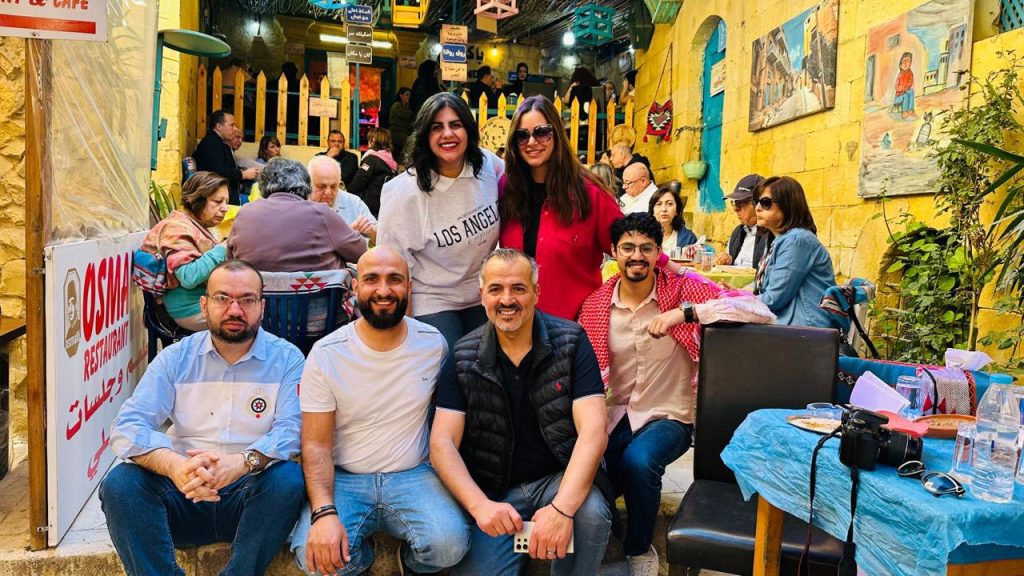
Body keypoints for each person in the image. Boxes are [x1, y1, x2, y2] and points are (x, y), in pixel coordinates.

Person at [100, 259, 306, 576]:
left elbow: (292, 431)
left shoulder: (287, 359)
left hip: (249, 499)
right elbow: (128, 426)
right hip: (183, 494)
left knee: (288, 479)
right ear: (204, 305)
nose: (235, 310)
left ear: (262, 307)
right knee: (120, 484)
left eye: (247, 300)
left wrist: (241, 463)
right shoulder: (175, 358)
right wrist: (175, 466)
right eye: (222, 298)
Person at [431, 248, 612, 576]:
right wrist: (480, 506)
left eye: (518, 288)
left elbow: (594, 431)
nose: (507, 299)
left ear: (536, 292)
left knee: (590, 514)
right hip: (497, 493)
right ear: (482, 295)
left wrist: (561, 509)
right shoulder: (462, 356)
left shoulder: (571, 342)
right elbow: (442, 443)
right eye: (496, 289)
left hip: (557, 479)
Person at [292, 247, 470, 576]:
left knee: (449, 545)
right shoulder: (327, 354)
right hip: (345, 478)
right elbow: (315, 444)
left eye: (394, 279)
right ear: (356, 287)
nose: (384, 290)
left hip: (414, 474)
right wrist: (324, 512)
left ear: (409, 288)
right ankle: (362, 560)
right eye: (372, 279)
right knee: (313, 558)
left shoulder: (433, 344)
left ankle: (411, 564)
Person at [377, 92, 504, 350]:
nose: (448, 134)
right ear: (425, 135)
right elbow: (392, 264)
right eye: (437, 127)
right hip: (433, 297)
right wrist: (403, 327)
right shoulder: (404, 192)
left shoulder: (487, 165)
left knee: (489, 359)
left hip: (481, 292)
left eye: (455, 125)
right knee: (449, 359)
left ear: (468, 130)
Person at [498, 95, 622, 320]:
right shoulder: (507, 189)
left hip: (573, 328)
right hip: (516, 325)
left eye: (541, 132)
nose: (531, 142)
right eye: (522, 135)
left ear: (556, 133)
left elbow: (629, 245)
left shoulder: (589, 193)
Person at [227, 157, 366, 272]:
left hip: (256, 295)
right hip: (317, 297)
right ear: (306, 187)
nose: (329, 192)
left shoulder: (245, 212)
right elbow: (361, 252)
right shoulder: (322, 214)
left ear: (263, 187)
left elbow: (231, 259)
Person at [140, 172, 229, 331]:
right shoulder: (177, 227)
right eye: (217, 202)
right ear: (197, 200)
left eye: (226, 202)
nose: (225, 208)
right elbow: (189, 276)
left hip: (205, 302)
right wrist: (223, 248)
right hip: (190, 309)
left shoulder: (193, 225)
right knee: (256, 317)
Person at [753, 175, 840, 328]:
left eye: (765, 202)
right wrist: (738, 293)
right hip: (788, 324)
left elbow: (774, 299)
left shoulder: (796, 241)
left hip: (806, 329)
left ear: (787, 205)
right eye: (756, 202)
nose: (757, 208)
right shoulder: (778, 240)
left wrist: (740, 301)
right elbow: (766, 289)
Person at [307, 155, 377, 246]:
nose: (328, 192)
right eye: (321, 186)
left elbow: (381, 239)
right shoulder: (298, 204)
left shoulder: (354, 203)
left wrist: (371, 232)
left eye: (334, 187)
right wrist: (346, 235)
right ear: (308, 184)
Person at [194, 110, 258, 205]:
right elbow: (217, 172)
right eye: (232, 125)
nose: (235, 129)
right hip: (216, 202)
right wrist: (242, 174)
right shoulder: (211, 143)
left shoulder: (220, 144)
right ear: (219, 126)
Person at [717, 173, 773, 269]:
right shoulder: (738, 232)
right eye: (735, 202)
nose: (735, 208)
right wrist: (728, 260)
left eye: (742, 203)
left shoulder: (772, 235)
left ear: (759, 203)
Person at [348, 127, 398, 218]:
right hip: (383, 207)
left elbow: (357, 183)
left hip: (367, 207)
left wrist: (347, 193)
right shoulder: (392, 162)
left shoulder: (371, 159)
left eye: (370, 139)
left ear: (373, 140)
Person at [649, 184, 696, 251]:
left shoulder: (688, 239)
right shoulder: (643, 235)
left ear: (677, 210)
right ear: (652, 211)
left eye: (669, 204)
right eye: (659, 204)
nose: (664, 209)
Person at [389, 87, 414, 161]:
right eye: (407, 95)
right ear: (401, 95)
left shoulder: (406, 106)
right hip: (396, 132)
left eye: (409, 95)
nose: (408, 97)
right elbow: (406, 115)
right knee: (409, 141)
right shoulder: (396, 105)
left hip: (404, 131)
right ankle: (403, 160)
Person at [893, 51, 916, 118]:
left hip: (905, 90)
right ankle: (904, 111)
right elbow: (896, 87)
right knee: (905, 96)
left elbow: (910, 82)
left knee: (911, 91)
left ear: (910, 63)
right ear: (901, 64)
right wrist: (901, 88)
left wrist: (905, 88)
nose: (906, 63)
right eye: (904, 61)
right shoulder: (900, 74)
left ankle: (910, 110)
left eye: (908, 61)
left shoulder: (910, 73)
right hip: (898, 97)